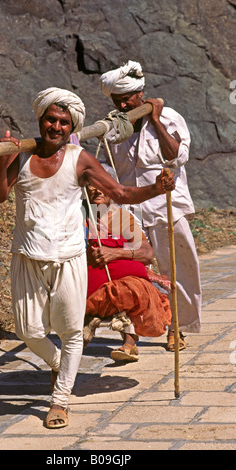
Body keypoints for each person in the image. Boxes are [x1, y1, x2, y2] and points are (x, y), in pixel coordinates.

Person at [0, 87, 175, 429]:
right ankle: (62, 364)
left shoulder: (80, 159)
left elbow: (121, 193)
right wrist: (4, 160)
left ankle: (59, 402)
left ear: (72, 124)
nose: (57, 126)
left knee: (72, 331)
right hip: (28, 256)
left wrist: (157, 188)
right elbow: (0, 196)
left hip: (69, 255)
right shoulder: (23, 157)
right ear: (41, 119)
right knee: (28, 330)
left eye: (64, 121)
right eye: (51, 119)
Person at [99, 60, 202, 351]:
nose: (122, 103)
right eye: (117, 99)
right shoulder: (113, 126)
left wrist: (154, 120)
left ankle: (176, 329)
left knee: (177, 271)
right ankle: (129, 336)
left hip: (167, 206)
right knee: (129, 271)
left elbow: (176, 156)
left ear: (140, 93)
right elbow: (106, 166)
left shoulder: (169, 117)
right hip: (128, 209)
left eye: (127, 98)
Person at [83, 183, 172, 361]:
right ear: (84, 189)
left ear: (112, 191)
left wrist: (115, 253)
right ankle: (86, 322)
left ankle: (129, 342)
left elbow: (147, 253)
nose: (98, 190)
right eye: (91, 185)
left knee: (131, 288)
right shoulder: (79, 215)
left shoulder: (121, 218)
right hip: (88, 286)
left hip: (119, 286)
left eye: (102, 185)